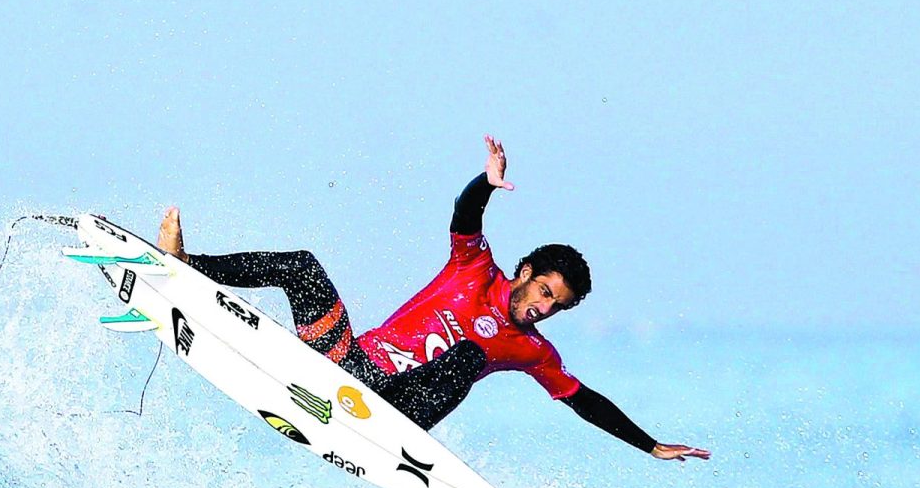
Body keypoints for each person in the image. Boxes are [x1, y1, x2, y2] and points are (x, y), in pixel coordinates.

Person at [157, 136, 710, 462]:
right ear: (524, 272)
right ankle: (184, 267)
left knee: (471, 356)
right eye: (544, 291)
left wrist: (650, 445)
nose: (543, 309)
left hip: (393, 408)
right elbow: (465, 216)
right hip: (346, 364)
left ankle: (386, 424)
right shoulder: (474, 269)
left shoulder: (531, 350)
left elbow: (581, 398)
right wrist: (486, 182)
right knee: (301, 265)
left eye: (555, 307)